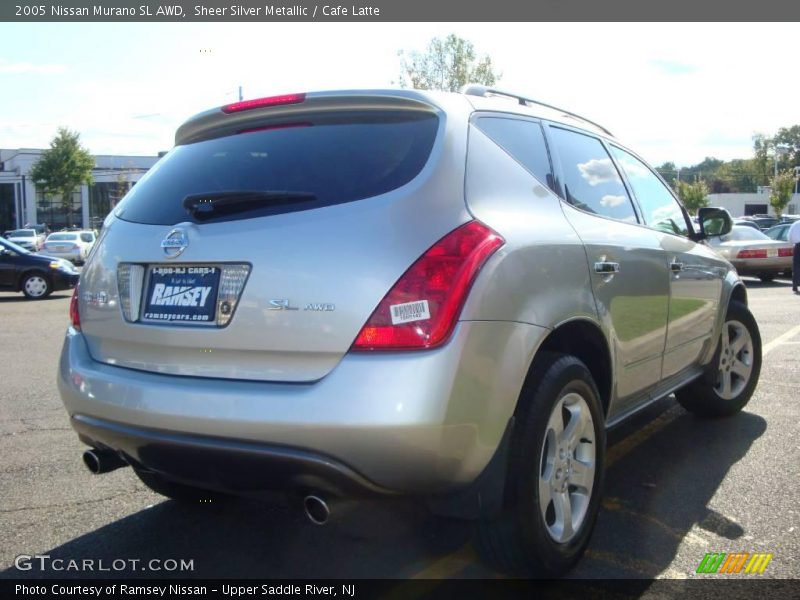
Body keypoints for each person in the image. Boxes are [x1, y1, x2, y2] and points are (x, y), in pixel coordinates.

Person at [789, 218, 800, 293]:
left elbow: (789, 236)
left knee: (796, 266)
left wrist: (792, 244)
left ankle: (795, 285)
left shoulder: (795, 224)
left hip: (798, 246)